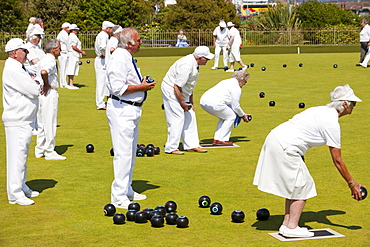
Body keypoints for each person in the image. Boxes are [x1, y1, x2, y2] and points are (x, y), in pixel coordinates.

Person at [253, 84, 365, 238]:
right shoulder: (331, 123)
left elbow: (299, 128)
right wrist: (352, 184)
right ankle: (292, 227)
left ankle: (286, 224)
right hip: (285, 146)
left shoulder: (319, 110)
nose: (354, 106)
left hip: (276, 139)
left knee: (296, 184)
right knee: (304, 184)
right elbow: (337, 160)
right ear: (345, 104)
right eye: (353, 103)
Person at [106, 27, 156, 209]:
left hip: (131, 110)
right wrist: (142, 87)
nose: (141, 42)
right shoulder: (119, 58)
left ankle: (127, 189)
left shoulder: (125, 57)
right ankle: (118, 196)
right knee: (123, 154)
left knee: (130, 153)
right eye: (139, 40)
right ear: (129, 44)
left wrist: (141, 84)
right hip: (122, 110)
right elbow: (118, 88)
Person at [2, 38, 44, 205]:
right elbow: (34, 90)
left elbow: (36, 82)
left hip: (24, 118)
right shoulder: (13, 68)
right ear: (14, 53)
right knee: (16, 157)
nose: (26, 53)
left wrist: (36, 82)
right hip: (17, 118)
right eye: (24, 51)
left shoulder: (19, 67)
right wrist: (36, 83)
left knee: (22, 156)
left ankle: (21, 185)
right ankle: (15, 193)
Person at [161, 46, 214, 155]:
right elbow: (177, 86)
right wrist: (182, 103)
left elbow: (189, 86)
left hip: (181, 91)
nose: (208, 60)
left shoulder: (195, 63)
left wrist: (190, 102)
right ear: (199, 58)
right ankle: (171, 147)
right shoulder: (186, 65)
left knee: (190, 115)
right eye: (206, 58)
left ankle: (192, 145)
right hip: (171, 90)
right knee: (177, 117)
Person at [200, 70, 251, 146]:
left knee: (225, 116)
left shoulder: (226, 81)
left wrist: (242, 114)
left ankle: (217, 139)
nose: (245, 84)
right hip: (215, 103)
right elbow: (235, 106)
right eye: (245, 81)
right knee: (231, 116)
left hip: (204, 101)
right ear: (241, 79)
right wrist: (243, 115)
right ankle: (222, 140)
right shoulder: (236, 87)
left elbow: (231, 105)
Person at [35, 39, 66, 160]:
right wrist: (46, 84)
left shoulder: (43, 59)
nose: (61, 50)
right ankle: (49, 150)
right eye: (59, 47)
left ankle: (40, 148)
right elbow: (44, 72)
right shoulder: (51, 61)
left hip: (40, 94)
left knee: (42, 123)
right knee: (50, 122)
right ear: (53, 49)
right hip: (49, 92)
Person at [95, 21, 115, 110]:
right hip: (102, 60)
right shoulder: (103, 36)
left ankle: (102, 102)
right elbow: (102, 47)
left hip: (102, 59)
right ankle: (100, 103)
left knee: (104, 82)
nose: (112, 30)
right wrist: (106, 53)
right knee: (101, 82)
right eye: (111, 28)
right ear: (107, 28)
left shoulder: (104, 35)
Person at [66, 24, 86, 90]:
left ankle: (70, 83)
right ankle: (71, 84)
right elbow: (74, 46)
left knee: (71, 68)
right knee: (72, 69)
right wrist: (81, 51)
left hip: (72, 54)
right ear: (74, 30)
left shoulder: (70, 36)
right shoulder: (73, 37)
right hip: (73, 55)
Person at [56, 22, 71, 88]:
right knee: (63, 68)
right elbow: (68, 43)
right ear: (65, 28)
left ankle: (63, 82)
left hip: (64, 52)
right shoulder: (63, 34)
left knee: (64, 68)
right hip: (63, 52)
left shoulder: (63, 34)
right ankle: (63, 83)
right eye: (68, 28)